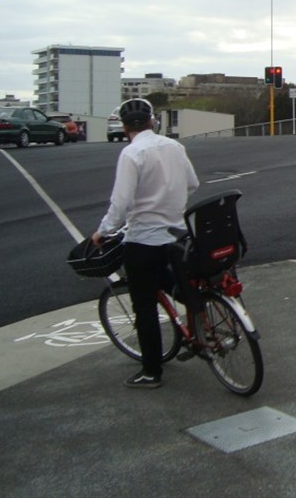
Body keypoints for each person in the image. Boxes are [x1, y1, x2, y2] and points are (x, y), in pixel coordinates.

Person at [93, 98, 199, 389]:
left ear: (125, 126)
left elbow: (122, 202)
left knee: (144, 306)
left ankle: (151, 371)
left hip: (143, 239)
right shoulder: (175, 147)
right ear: (153, 121)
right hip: (176, 234)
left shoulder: (132, 153)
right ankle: (199, 325)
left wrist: (104, 231)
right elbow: (192, 184)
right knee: (173, 282)